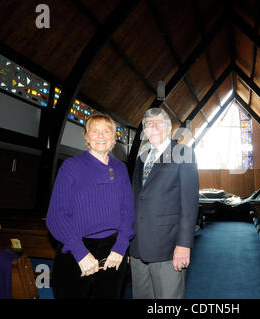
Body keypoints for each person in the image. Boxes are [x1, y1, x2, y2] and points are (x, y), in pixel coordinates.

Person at [46, 112, 135, 299]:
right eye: (95, 131)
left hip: (113, 249)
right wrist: (80, 253)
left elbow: (128, 211)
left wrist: (120, 247)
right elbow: (56, 216)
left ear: (113, 138)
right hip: (77, 247)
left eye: (106, 131)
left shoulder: (120, 168)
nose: (101, 136)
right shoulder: (71, 166)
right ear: (87, 136)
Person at [129, 107, 199, 299]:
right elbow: (137, 199)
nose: (154, 127)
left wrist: (184, 245)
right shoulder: (141, 158)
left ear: (169, 127)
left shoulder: (183, 153)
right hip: (138, 246)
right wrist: (129, 243)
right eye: (149, 124)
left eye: (159, 122)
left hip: (167, 246)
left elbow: (189, 204)